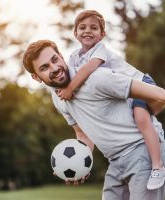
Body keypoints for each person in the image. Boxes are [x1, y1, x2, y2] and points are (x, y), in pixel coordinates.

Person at [22, 39, 165, 200]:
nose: (54, 68)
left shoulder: (96, 79)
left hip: (142, 151)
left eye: (54, 60)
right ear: (36, 77)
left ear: (61, 56)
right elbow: (83, 134)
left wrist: (147, 120)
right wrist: (80, 163)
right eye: (44, 67)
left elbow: (160, 95)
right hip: (115, 161)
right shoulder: (58, 99)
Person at [55, 10, 164, 190]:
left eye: (94, 28)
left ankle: (157, 166)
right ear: (75, 33)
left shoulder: (100, 50)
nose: (87, 31)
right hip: (123, 93)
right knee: (132, 120)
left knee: (141, 119)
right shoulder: (74, 56)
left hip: (140, 83)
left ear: (102, 34)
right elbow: (74, 74)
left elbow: (89, 69)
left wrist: (70, 89)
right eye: (82, 27)